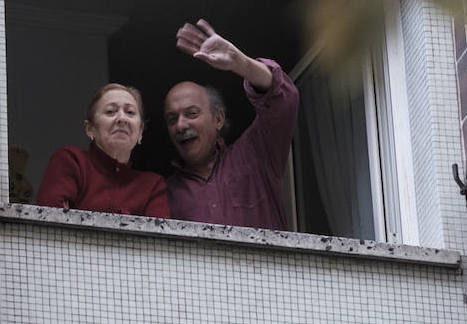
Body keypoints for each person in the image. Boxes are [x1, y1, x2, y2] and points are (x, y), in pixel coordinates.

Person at [163, 19, 300, 230]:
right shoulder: (164, 194)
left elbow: (284, 100)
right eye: (172, 119)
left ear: (218, 119)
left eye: (191, 113)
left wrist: (239, 62)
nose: (181, 125)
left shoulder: (255, 155)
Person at [36, 82, 170, 218]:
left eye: (130, 112)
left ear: (140, 132)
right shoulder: (72, 162)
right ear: (90, 129)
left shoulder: (152, 186)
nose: (122, 118)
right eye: (110, 111)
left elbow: (156, 239)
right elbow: (51, 227)